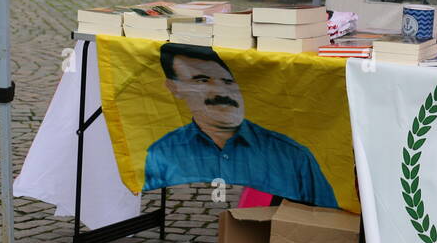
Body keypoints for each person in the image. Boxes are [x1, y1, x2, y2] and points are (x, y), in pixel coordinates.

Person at [144, 44, 338, 206]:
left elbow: (325, 220)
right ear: (174, 87)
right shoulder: (161, 153)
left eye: (228, 82)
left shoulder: (293, 156)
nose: (220, 91)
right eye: (202, 80)